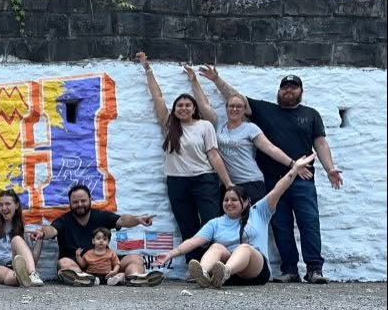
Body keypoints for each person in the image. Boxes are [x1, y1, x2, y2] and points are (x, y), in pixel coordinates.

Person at [199, 67, 341, 284]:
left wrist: (330, 168)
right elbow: (237, 99)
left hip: (302, 178)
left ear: (301, 91)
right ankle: (290, 270)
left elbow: (320, 143)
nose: (288, 91)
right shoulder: (265, 110)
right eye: (285, 87)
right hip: (273, 180)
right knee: (281, 226)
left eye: (293, 87)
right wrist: (217, 79)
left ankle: (314, 269)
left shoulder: (311, 114)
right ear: (279, 90)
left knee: (309, 223)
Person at [153, 155, 316, 289]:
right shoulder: (216, 223)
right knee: (216, 247)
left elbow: (278, 189)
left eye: (234, 200)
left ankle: (225, 271)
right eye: (226, 200)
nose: (229, 203)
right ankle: (203, 274)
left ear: (245, 202)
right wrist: (170, 254)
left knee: (244, 248)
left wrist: (294, 169)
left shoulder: (259, 212)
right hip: (230, 274)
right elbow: (194, 241)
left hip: (255, 271)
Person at [139, 52, 231, 266]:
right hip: (177, 181)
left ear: (194, 108)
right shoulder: (169, 125)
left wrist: (228, 183)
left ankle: (212, 264)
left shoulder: (205, 126)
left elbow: (213, 155)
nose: (183, 108)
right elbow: (158, 97)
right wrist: (148, 69)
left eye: (187, 105)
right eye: (179, 105)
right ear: (175, 109)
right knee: (187, 225)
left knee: (210, 223)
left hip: (205, 180)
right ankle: (194, 266)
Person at [186, 65, 309, 202]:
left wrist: (293, 164)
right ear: (226, 108)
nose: (234, 109)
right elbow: (204, 105)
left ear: (244, 110)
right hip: (229, 184)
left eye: (239, 106)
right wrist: (194, 81)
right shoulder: (218, 125)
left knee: (253, 216)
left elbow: (270, 149)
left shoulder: (251, 128)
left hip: (251, 182)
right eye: (231, 106)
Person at [36, 184, 164, 287]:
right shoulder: (64, 220)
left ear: (90, 200)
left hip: (106, 265)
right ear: (70, 203)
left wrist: (138, 220)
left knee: (135, 259)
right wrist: (42, 233)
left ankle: (134, 277)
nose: (79, 204)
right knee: (63, 263)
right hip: (80, 266)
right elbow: (52, 230)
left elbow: (122, 220)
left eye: (83, 201)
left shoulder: (101, 216)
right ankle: (84, 278)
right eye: (75, 202)